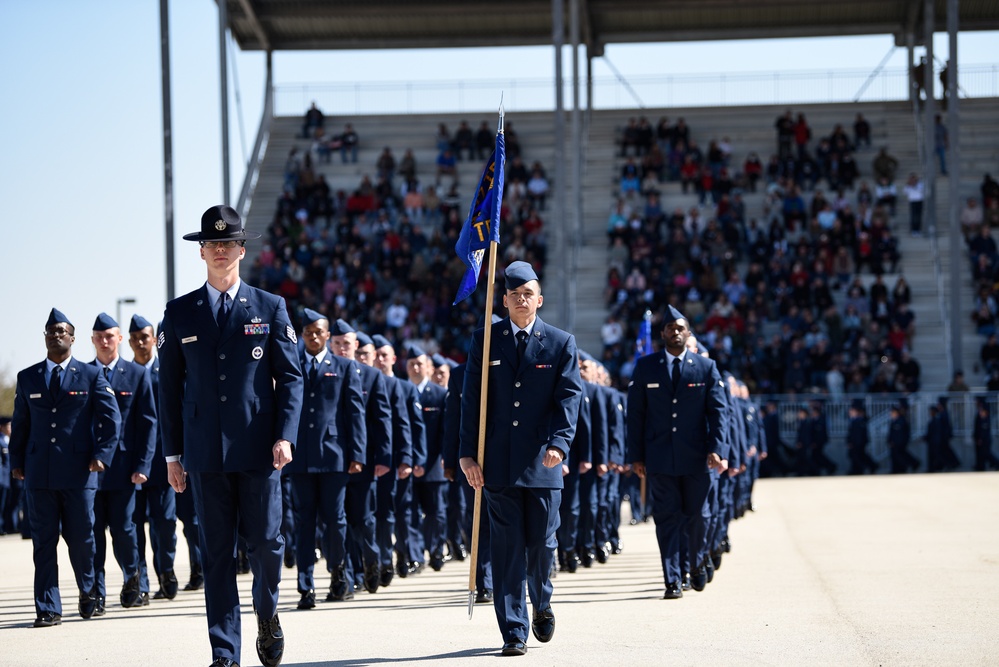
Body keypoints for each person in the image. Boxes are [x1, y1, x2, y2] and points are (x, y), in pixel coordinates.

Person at [158, 205, 304, 667]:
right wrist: (172, 455)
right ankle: (225, 651)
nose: (221, 252)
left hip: (260, 450)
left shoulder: (269, 307)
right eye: (212, 244)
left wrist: (285, 435)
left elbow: (292, 378)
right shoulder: (179, 313)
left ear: (242, 249)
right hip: (204, 455)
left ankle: (267, 614)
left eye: (229, 244)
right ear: (202, 252)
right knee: (217, 554)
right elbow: (168, 388)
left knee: (265, 544)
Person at [460, 261, 583, 657]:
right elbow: (472, 402)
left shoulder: (561, 343)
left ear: (539, 299)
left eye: (527, 293)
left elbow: (569, 398)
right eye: (514, 294)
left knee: (543, 546)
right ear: (504, 300)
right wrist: (467, 454)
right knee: (507, 551)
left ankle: (542, 601)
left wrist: (560, 444)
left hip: (544, 462)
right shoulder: (485, 339)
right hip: (498, 463)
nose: (520, 300)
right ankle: (514, 629)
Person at [10, 308, 121, 628]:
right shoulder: (28, 376)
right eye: (50, 331)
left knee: (83, 539)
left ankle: (89, 592)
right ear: (44, 337)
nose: (55, 335)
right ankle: (47, 607)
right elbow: (21, 423)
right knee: (44, 543)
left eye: (61, 331)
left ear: (72, 338)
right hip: (39, 474)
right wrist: (17, 460)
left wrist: (102, 455)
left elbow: (111, 420)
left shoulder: (90, 375)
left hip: (79, 474)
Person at [627, 305, 728, 600]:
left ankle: (695, 563)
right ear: (662, 334)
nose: (675, 332)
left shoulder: (705, 368)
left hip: (697, 458)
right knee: (667, 518)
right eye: (670, 328)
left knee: (697, 516)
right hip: (659, 459)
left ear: (688, 333)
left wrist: (717, 449)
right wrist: (637, 456)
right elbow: (636, 415)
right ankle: (672, 578)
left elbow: (718, 413)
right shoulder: (646, 367)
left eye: (680, 328)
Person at [288, 309, 366, 609]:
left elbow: (354, 413)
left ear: (327, 336)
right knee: (303, 523)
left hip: (334, 456)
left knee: (336, 521)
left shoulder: (344, 367)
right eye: (308, 332)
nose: (314, 337)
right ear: (302, 335)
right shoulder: (291, 364)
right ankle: (305, 586)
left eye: (319, 332)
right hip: (301, 457)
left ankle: (338, 575)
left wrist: (357, 454)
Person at [89, 312, 157, 613]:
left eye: (110, 336)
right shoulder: (82, 374)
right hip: (89, 470)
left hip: (124, 469)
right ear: (93, 341)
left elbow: (148, 423)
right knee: (92, 534)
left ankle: (133, 579)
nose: (105, 342)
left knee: (124, 530)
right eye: (99, 337)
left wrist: (143, 465)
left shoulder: (137, 374)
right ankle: (95, 593)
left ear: (119, 339)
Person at [128, 314, 181, 602]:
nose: (140, 342)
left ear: (153, 338)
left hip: (164, 461)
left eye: (144, 337)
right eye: (134, 337)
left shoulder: (168, 369)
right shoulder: (124, 373)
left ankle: (166, 572)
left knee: (165, 525)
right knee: (134, 528)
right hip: (134, 464)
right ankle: (142, 583)